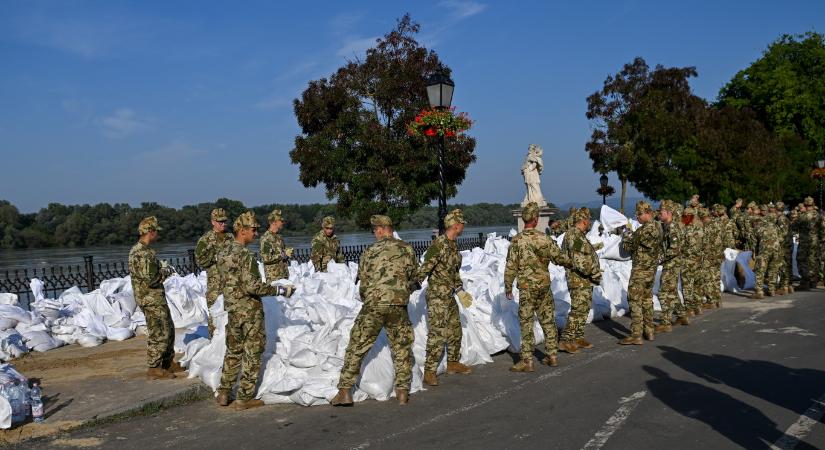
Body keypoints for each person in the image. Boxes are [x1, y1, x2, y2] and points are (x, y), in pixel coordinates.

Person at [331, 215, 417, 406]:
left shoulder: (369, 251)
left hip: (374, 306)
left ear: (380, 229)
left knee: (357, 346)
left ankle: (345, 391)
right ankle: (402, 391)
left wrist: (370, 299)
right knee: (401, 347)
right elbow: (413, 280)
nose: (374, 235)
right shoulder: (407, 249)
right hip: (398, 306)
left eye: (374, 231)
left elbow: (363, 284)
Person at [216, 211, 293, 410]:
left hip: (233, 309)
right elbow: (253, 287)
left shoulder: (223, 252)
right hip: (249, 311)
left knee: (233, 350)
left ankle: (224, 392)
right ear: (242, 231)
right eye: (253, 230)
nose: (256, 234)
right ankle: (244, 397)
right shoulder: (245, 255)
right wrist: (279, 289)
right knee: (253, 352)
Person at [504, 202, 573, 371]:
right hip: (543, 286)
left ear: (524, 219)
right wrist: (572, 263)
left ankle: (527, 360)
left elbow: (511, 266)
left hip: (527, 288)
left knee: (526, 322)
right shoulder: (544, 238)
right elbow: (560, 258)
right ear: (535, 220)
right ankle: (552, 355)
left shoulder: (517, 241)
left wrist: (508, 286)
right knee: (548, 320)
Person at [417, 209, 473, 386]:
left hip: (449, 296)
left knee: (456, 330)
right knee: (438, 334)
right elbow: (424, 269)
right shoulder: (438, 245)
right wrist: (410, 286)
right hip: (436, 297)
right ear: (456, 226)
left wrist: (460, 291)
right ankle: (429, 371)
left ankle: (453, 363)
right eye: (462, 224)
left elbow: (453, 272)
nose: (463, 227)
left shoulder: (453, 245)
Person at [128, 216, 182, 380]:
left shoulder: (138, 251)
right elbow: (151, 278)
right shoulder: (143, 253)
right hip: (150, 299)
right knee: (159, 331)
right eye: (156, 231)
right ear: (150, 232)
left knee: (168, 328)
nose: (157, 234)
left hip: (153, 298)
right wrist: (165, 271)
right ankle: (154, 367)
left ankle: (166, 363)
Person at [619, 201, 662, 345]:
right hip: (651, 270)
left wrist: (626, 233)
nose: (637, 216)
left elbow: (629, 246)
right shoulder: (658, 227)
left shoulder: (644, 230)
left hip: (640, 271)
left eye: (639, 214)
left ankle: (636, 334)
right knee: (647, 300)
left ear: (648, 213)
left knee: (634, 300)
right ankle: (649, 331)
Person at [559, 207, 602, 352]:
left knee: (584, 308)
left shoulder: (578, 235)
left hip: (584, 279)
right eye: (588, 220)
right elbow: (579, 260)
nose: (589, 223)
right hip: (578, 279)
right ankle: (566, 339)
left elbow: (583, 253)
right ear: (584, 220)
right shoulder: (574, 236)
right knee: (578, 309)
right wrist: (594, 273)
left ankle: (578, 336)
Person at [195, 208, 232, 336]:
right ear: (213, 222)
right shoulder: (205, 240)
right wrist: (215, 258)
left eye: (224, 221)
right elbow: (199, 260)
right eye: (220, 221)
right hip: (215, 283)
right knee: (215, 313)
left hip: (231, 282)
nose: (223, 224)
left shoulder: (230, 237)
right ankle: (214, 339)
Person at [655, 200, 683, 332]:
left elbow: (675, 248)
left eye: (661, 212)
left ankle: (665, 322)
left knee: (663, 292)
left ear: (668, 213)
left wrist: (661, 258)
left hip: (672, 263)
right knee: (671, 290)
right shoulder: (666, 225)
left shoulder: (672, 227)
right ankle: (682, 315)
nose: (659, 214)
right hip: (671, 262)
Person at [751, 209, 781, 299]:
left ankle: (759, 291)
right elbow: (780, 237)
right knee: (773, 270)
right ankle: (771, 290)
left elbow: (754, 243)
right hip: (776, 250)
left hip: (764, 252)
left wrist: (754, 253)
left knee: (760, 270)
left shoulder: (757, 228)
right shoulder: (775, 226)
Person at [682, 207, 705, 318]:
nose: (683, 218)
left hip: (688, 261)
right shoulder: (700, 228)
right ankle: (698, 306)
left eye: (685, 216)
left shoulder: (686, 229)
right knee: (697, 284)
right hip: (699, 260)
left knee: (687, 285)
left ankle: (689, 309)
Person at [260, 209, 293, 282]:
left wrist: (288, 253)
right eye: (281, 221)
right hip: (274, 278)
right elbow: (266, 259)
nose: (283, 223)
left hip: (284, 276)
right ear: (274, 222)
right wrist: (283, 255)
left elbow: (283, 255)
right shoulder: (266, 238)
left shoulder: (279, 237)